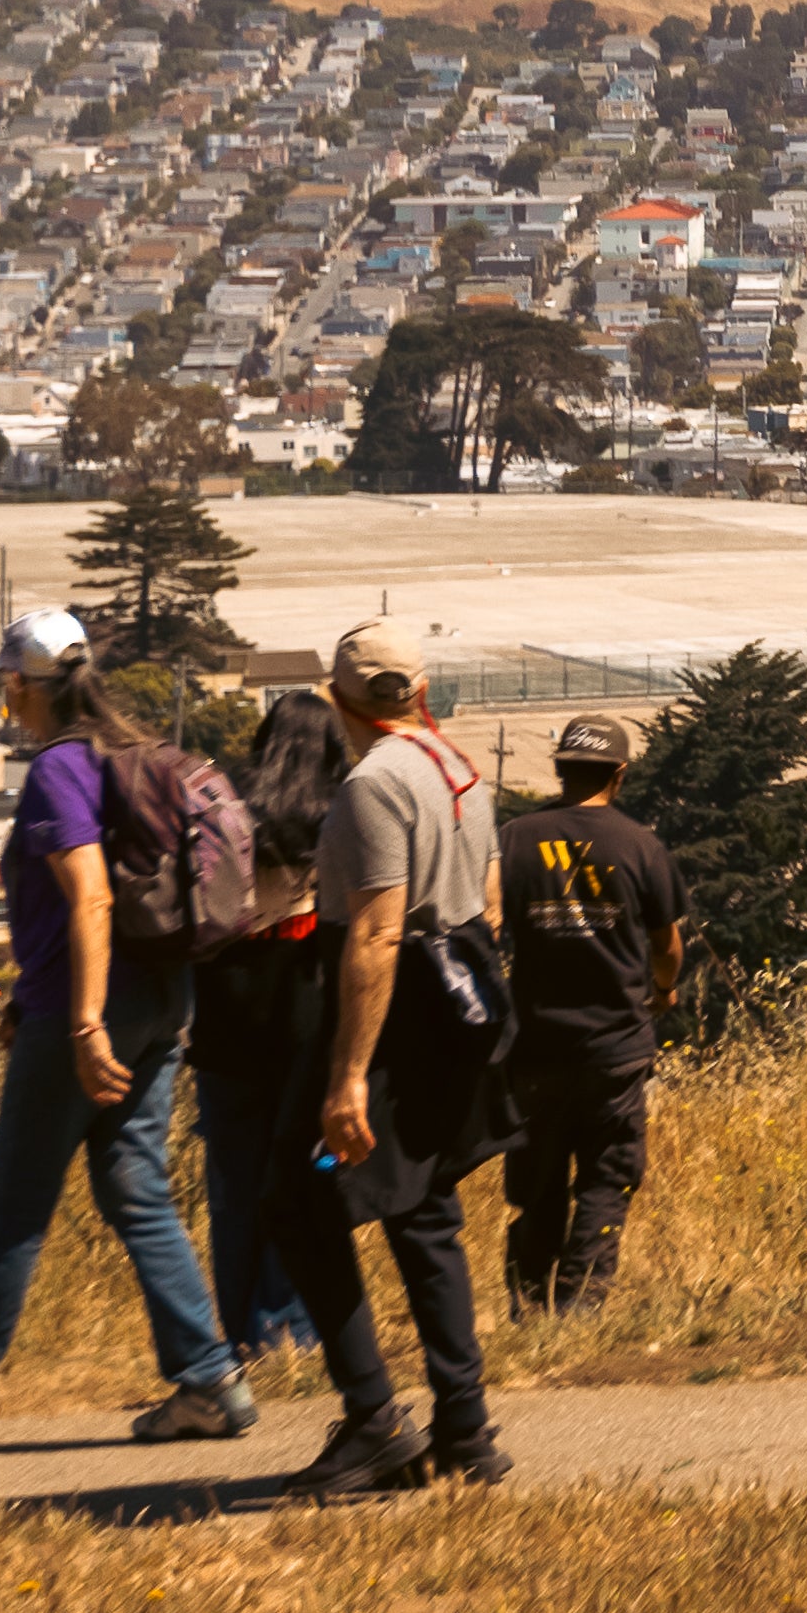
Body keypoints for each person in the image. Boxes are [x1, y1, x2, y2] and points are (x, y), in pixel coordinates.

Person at [0, 611, 256, 1459]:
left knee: (16, 1205)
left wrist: (79, 1020)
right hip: (162, 997)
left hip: (92, 1007)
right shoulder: (136, 751)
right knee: (133, 1187)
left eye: (8, 682)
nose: (7, 697)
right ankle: (211, 1381)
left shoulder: (59, 772)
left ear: (25, 685)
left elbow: (91, 898)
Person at [278, 616, 509, 1498]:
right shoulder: (456, 769)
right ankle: (464, 1424)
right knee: (424, 1209)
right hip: (450, 1009)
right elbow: (486, 898)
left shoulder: (373, 784)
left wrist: (344, 1079)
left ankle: (374, 1419)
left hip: (380, 1025)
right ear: (415, 691)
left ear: (340, 699)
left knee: (298, 1199)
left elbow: (374, 933)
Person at [494, 709, 680, 1312]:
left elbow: (491, 925)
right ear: (619, 774)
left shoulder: (516, 840)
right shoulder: (640, 844)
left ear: (559, 769)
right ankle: (581, 1304)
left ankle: (528, 1301)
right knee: (606, 1177)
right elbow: (666, 943)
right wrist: (663, 988)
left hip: (535, 1047)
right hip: (615, 1049)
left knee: (538, 1183)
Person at [188, 692, 348, 1393]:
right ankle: (289, 1325)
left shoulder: (230, 802)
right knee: (302, 1179)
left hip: (226, 1014)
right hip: (306, 1015)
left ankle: (237, 1332)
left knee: (232, 1187)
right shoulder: (338, 811)